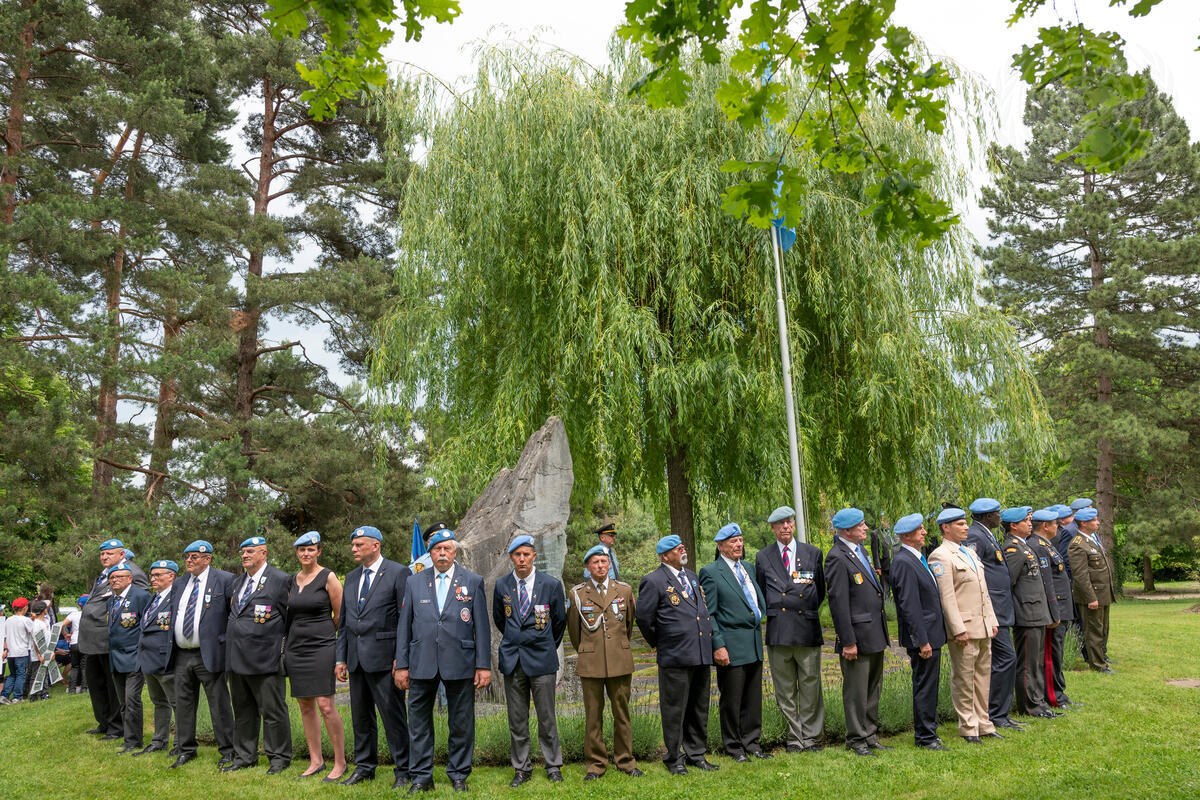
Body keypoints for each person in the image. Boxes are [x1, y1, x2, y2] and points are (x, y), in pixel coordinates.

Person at [394, 528, 491, 793]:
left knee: (461, 723)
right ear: (430, 553)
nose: (442, 553)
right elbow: (404, 626)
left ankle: (459, 775)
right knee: (418, 724)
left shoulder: (472, 581)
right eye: (437, 549)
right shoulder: (414, 582)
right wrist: (402, 664)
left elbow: (482, 628)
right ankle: (421, 777)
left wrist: (483, 665)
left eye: (447, 548)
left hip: (460, 661)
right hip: (421, 661)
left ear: (455, 552)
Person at [635, 534, 718, 775]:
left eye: (682, 546)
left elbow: (700, 610)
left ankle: (696, 754)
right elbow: (644, 618)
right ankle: (674, 758)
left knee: (698, 707)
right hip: (675, 655)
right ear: (664, 556)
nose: (682, 550)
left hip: (700, 652)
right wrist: (659, 642)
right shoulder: (654, 580)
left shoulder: (691, 576)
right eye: (676, 548)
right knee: (675, 710)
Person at [336, 525, 412, 788]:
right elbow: (345, 623)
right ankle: (365, 767)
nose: (354, 549)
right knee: (361, 718)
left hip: (385, 660)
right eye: (353, 545)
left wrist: (402, 660)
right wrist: (340, 658)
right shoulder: (351, 577)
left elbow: (405, 620)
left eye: (359, 545)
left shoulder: (398, 572)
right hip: (356, 660)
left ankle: (404, 770)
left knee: (393, 718)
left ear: (375, 545)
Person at [493, 534, 567, 786]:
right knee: (517, 719)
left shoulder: (550, 585)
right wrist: (518, 640)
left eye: (526, 554)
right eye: (517, 555)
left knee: (547, 717)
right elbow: (500, 620)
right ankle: (521, 768)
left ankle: (553, 765)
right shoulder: (502, 585)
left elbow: (559, 622)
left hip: (542, 660)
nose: (522, 559)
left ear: (534, 556)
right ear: (511, 557)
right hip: (513, 660)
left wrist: (543, 644)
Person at [754, 505, 825, 753]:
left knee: (810, 685)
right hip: (779, 631)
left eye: (789, 522)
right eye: (780, 524)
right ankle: (795, 737)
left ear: (794, 525)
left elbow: (820, 591)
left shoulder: (812, 553)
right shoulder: (763, 557)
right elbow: (762, 592)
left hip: (806, 628)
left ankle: (811, 736)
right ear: (773, 528)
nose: (786, 527)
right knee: (784, 689)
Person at [567, 545, 641, 781]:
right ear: (588, 567)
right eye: (595, 562)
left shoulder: (624, 590)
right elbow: (575, 632)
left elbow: (628, 624)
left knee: (622, 713)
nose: (600, 566)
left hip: (619, 660)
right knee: (593, 716)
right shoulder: (578, 594)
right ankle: (596, 764)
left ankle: (626, 760)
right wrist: (590, 650)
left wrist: (615, 647)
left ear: (609, 564)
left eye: (604, 561)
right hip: (591, 662)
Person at [929, 508, 1001, 744]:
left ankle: (984, 722)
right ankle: (968, 726)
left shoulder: (969, 552)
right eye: (960, 524)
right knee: (965, 678)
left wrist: (992, 620)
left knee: (983, 677)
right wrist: (957, 629)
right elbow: (947, 597)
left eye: (965, 523)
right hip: (965, 628)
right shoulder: (941, 556)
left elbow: (983, 591)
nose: (966, 527)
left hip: (982, 624)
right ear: (945, 528)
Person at [699, 523, 769, 762]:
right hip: (731, 644)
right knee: (732, 699)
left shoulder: (748, 568)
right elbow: (710, 614)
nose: (739, 545)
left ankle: (752, 743)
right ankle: (734, 746)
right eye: (733, 541)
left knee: (753, 697)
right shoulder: (711, 572)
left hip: (753, 641)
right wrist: (718, 645)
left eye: (740, 540)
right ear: (721, 546)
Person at [824, 507, 891, 756]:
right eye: (861, 525)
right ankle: (856, 739)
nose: (866, 528)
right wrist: (848, 642)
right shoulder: (836, 557)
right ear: (847, 530)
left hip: (874, 633)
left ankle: (869, 734)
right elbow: (838, 603)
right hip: (857, 638)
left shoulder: (860, 550)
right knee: (856, 692)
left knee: (873, 688)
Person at [224, 535, 293, 774]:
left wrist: (283, 652)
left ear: (264, 553)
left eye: (250, 552)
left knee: (272, 711)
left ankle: (279, 758)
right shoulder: (238, 582)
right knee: (243, 711)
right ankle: (245, 756)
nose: (244, 555)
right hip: (236, 658)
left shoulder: (280, 580)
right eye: (243, 552)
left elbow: (289, 620)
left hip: (266, 658)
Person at [283, 531, 347, 781]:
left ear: (319, 551)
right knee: (305, 705)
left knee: (326, 705)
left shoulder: (328, 577)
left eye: (311, 549)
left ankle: (340, 762)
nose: (306, 553)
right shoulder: (292, 580)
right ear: (297, 553)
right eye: (302, 550)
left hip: (322, 647)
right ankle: (316, 761)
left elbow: (340, 617)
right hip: (296, 649)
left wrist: (326, 637)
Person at [170, 539, 237, 769]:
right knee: (183, 705)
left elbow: (233, 615)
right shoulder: (180, 583)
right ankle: (186, 750)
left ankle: (228, 750)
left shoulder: (225, 580)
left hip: (210, 653)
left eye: (194, 557)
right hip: (182, 654)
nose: (189, 560)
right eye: (187, 557)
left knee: (219, 705)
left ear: (207, 559)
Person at [888, 512, 947, 750]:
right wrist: (922, 641)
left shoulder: (916, 558)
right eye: (920, 529)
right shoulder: (904, 562)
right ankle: (925, 737)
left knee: (930, 686)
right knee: (925, 686)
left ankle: (930, 731)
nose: (925, 532)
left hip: (931, 634)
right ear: (906, 536)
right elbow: (909, 606)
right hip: (923, 638)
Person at [78, 539, 148, 739]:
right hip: (93, 639)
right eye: (102, 554)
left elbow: (137, 602)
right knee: (96, 683)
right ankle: (104, 722)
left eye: (109, 553)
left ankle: (116, 727)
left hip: (111, 639)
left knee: (112, 686)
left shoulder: (132, 572)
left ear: (122, 554)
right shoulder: (103, 574)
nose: (104, 557)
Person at [966, 498, 1022, 731]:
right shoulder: (975, 536)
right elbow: (973, 573)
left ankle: (999, 713)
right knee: (1005, 658)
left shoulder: (986, 534)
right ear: (988, 516)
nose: (1001, 516)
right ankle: (995, 713)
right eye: (997, 513)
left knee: (1005, 659)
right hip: (992, 609)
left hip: (999, 607)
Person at [1001, 507, 1059, 719]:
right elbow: (1009, 582)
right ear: (1013, 525)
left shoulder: (1024, 546)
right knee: (1027, 663)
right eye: (1025, 520)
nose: (1029, 524)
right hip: (1027, 612)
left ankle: (1039, 702)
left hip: (1037, 611)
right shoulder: (1013, 549)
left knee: (1036, 661)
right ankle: (1029, 705)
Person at [135, 560, 180, 757]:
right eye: (152, 575)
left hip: (166, 659)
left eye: (158, 575)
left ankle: (180, 743)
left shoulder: (177, 597)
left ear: (171, 576)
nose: (153, 579)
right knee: (159, 702)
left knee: (177, 703)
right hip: (148, 659)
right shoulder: (154, 598)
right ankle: (159, 741)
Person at [105, 563, 151, 753]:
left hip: (134, 657)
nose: (115, 580)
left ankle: (134, 741)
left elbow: (147, 626)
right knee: (123, 702)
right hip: (116, 658)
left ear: (130, 578)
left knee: (132, 700)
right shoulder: (111, 600)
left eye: (119, 577)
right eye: (112, 578)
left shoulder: (140, 597)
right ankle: (128, 737)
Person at [1069, 507, 1115, 673]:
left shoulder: (1092, 540)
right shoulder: (1078, 545)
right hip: (1092, 595)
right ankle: (1097, 665)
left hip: (1102, 594)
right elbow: (1081, 576)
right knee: (1094, 631)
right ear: (1083, 523)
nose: (1098, 523)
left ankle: (1101, 660)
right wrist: (1090, 598)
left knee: (1102, 629)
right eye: (1094, 520)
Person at [1038, 507, 1077, 709]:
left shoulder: (1049, 545)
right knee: (1051, 654)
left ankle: (1060, 691)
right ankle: (1053, 696)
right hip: (1055, 608)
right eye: (1055, 523)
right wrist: (1053, 612)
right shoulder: (1039, 547)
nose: (1058, 526)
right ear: (1046, 526)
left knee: (1058, 652)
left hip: (1062, 606)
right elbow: (1047, 583)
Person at [1, 597, 40, 704]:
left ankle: (4, 695)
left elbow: (4, 636)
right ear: (24, 608)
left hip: (10, 652)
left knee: (12, 674)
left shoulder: (8, 620)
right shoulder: (26, 620)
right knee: (21, 674)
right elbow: (33, 633)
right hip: (22, 651)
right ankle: (17, 697)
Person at [62, 596, 87, 694]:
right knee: (84, 666)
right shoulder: (90, 614)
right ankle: (84, 688)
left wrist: (65, 635)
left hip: (74, 642)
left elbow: (62, 624)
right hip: (85, 642)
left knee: (74, 666)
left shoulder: (74, 614)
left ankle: (72, 688)